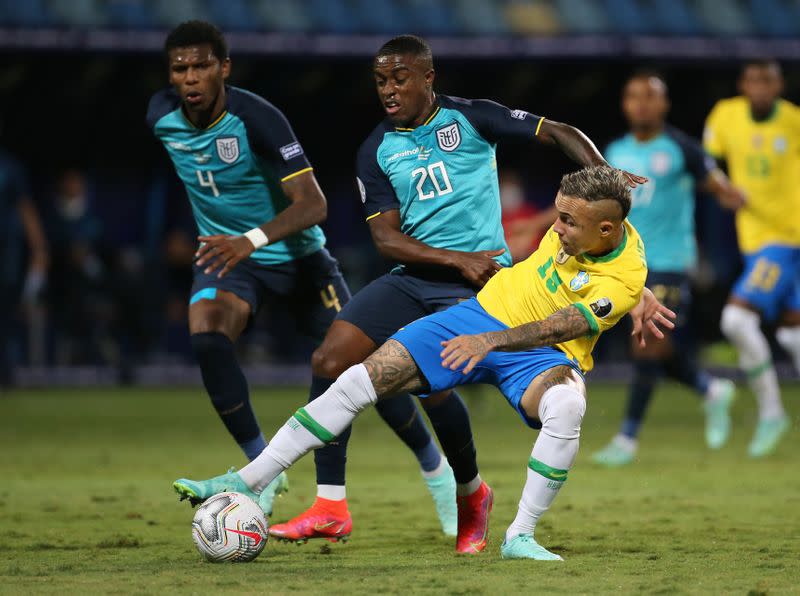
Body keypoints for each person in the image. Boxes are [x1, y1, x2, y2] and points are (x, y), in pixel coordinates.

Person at [257, 34, 645, 544]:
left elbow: (560, 133)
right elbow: (384, 238)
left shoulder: (472, 118)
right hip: (419, 275)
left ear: (427, 78)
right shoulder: (376, 148)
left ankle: (470, 493)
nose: (389, 90)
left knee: (435, 387)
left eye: (399, 78)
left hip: (484, 282)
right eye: (380, 81)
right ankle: (330, 503)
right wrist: (453, 259)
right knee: (330, 362)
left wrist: (606, 186)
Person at [175, 165, 677, 560]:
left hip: (540, 352)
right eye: (560, 215)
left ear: (607, 228)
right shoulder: (600, 228)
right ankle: (251, 479)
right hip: (478, 314)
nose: (558, 228)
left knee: (567, 405)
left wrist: (493, 341)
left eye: (570, 223)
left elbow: (563, 325)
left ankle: (520, 536)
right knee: (356, 379)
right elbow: (597, 224)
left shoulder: (625, 278)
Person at [148, 22, 459, 523]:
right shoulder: (161, 116)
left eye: (201, 66)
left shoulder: (257, 119)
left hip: (299, 262)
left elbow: (313, 204)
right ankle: (262, 471)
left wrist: (248, 237)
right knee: (207, 336)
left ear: (223, 69)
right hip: (232, 263)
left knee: (367, 375)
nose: (190, 78)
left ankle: (436, 470)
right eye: (179, 69)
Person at [592, 72, 746, 466]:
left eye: (650, 96)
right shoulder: (614, 151)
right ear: (625, 104)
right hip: (625, 265)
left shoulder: (682, 148)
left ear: (664, 104)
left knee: (645, 342)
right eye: (633, 96)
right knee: (659, 350)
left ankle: (626, 438)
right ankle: (709, 388)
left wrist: (734, 194)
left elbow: (716, 182)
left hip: (670, 263)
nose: (641, 103)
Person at [704, 59, 800, 457]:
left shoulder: (794, 120)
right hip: (756, 241)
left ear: (778, 85)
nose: (760, 88)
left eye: (768, 81)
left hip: (785, 237)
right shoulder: (726, 115)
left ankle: (773, 412)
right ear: (743, 84)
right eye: (754, 81)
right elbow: (705, 162)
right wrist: (722, 186)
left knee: (736, 318)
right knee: (794, 335)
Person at [0, 147, 48, 388]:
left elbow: (25, 207)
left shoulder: (9, 167)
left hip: (6, 251)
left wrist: (39, 249)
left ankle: (5, 373)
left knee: (6, 313)